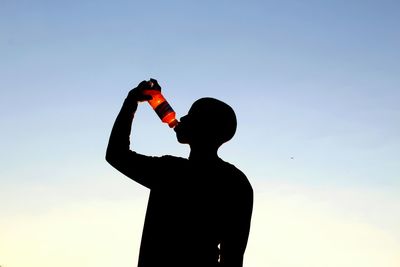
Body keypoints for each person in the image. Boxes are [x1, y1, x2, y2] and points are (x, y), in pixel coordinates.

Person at [106, 79, 253, 267]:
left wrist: (131, 102)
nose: (182, 118)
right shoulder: (236, 182)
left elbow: (116, 154)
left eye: (192, 116)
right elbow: (233, 256)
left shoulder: (170, 172)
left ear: (206, 128)